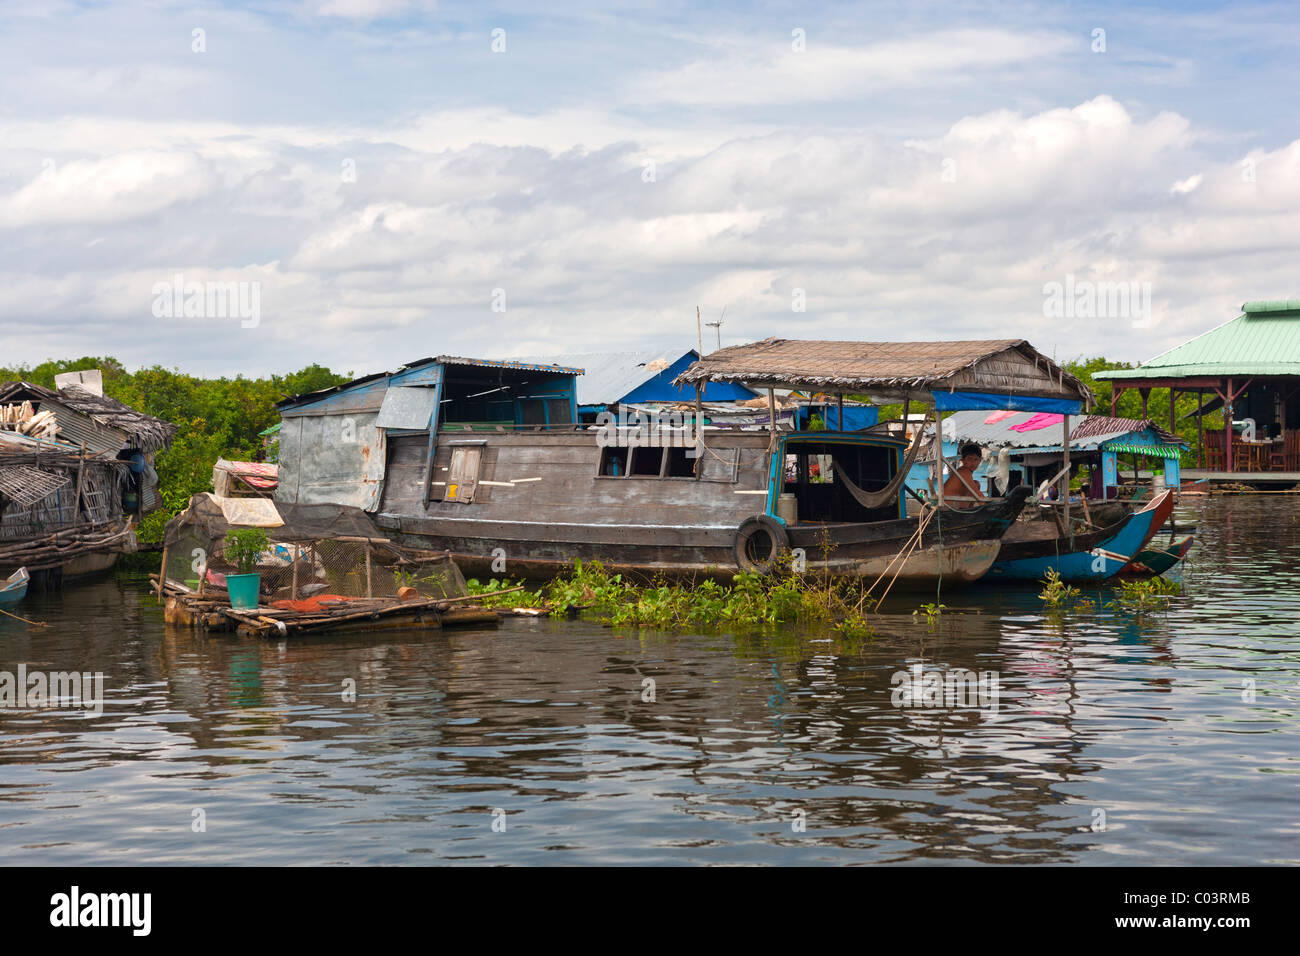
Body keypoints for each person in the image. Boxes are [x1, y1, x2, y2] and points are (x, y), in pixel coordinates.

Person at [943, 443, 986, 508]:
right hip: (947, 508)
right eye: (969, 459)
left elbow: (975, 491)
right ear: (962, 460)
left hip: (955, 506)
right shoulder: (964, 472)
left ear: (979, 461)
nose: (973, 463)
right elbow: (976, 493)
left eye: (976, 459)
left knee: (976, 483)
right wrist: (987, 506)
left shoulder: (966, 473)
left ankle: (969, 510)